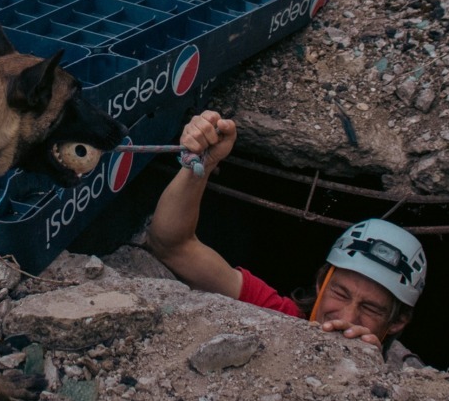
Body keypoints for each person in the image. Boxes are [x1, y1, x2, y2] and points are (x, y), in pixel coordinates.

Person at [145, 110, 427, 362]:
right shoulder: (278, 315)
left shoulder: (408, 386)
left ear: (397, 322)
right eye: (340, 293)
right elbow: (173, 245)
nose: (347, 317)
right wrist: (200, 166)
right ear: (321, 282)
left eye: (371, 308)